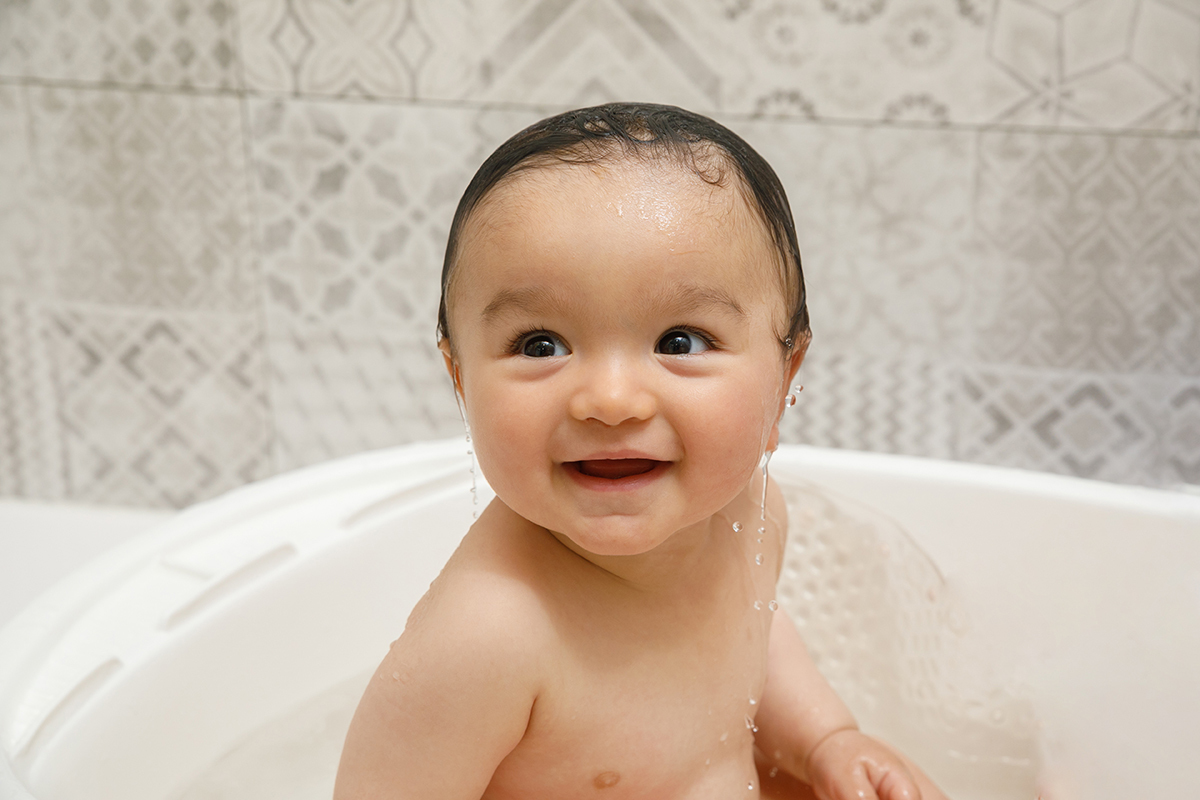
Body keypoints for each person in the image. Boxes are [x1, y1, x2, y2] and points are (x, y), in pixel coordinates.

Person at [334, 103, 948, 800]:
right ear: (460, 380)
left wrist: (826, 739)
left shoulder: (750, 512)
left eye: (679, 341)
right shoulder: (487, 638)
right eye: (541, 345)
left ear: (784, 380)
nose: (611, 399)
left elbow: (750, 640)